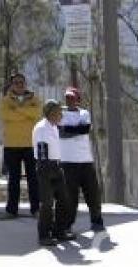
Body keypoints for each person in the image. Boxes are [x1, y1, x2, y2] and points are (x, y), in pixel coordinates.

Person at [59, 87, 105, 233]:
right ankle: (67, 224)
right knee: (70, 196)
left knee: (92, 193)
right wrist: (73, 130)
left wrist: (68, 130)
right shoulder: (59, 113)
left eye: (72, 98)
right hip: (67, 162)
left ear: (78, 99)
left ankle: (96, 220)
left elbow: (84, 130)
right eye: (67, 97)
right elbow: (60, 133)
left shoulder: (84, 113)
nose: (69, 100)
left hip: (85, 160)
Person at [0, 72, 41, 220]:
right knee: (13, 180)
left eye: (22, 82)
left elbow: (37, 114)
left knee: (33, 179)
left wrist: (17, 110)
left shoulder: (35, 99)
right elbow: (5, 116)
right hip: (11, 145)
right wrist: (26, 113)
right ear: (11, 85)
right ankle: (11, 211)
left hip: (31, 144)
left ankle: (36, 210)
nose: (19, 85)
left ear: (25, 83)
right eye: (16, 82)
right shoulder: (5, 101)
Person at [32, 100, 72, 246]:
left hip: (55, 165)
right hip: (45, 167)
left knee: (63, 199)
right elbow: (42, 151)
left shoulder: (53, 127)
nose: (61, 115)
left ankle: (59, 231)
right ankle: (43, 235)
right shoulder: (42, 128)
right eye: (59, 112)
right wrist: (48, 168)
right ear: (51, 113)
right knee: (47, 203)